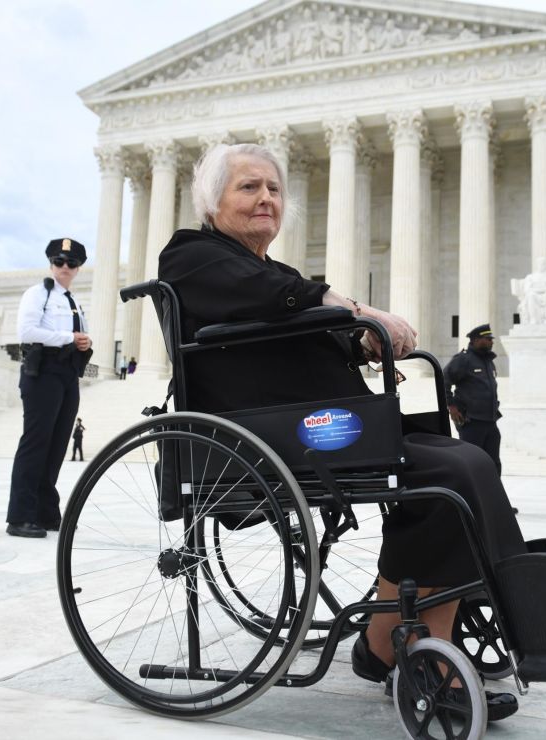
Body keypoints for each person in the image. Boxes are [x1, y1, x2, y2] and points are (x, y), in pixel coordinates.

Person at [157, 143, 520, 721]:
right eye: (249, 187)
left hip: (328, 426)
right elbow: (271, 299)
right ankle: (408, 643)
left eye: (274, 189)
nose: (266, 199)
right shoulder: (192, 255)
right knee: (449, 473)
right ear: (213, 200)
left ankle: (416, 630)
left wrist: (361, 339)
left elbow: (297, 318)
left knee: (463, 460)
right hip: (266, 437)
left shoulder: (272, 270)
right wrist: (347, 305)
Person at [6, 238, 92, 539]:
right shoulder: (37, 293)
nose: (64, 267)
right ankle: (20, 516)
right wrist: (70, 337)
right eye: (59, 262)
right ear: (51, 263)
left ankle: (45, 511)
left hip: (67, 372)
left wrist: (84, 341)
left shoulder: (74, 301)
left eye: (71, 263)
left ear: (78, 268)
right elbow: (26, 332)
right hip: (42, 371)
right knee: (36, 441)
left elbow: (77, 335)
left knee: (57, 444)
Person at [444, 323, 503, 478]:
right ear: (476, 340)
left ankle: (494, 499)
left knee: (494, 463)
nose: (491, 342)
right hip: (471, 422)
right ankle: (472, 499)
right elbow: (444, 380)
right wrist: (451, 406)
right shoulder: (463, 360)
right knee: (472, 463)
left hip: (490, 421)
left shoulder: (488, 361)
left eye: (491, 339)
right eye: (487, 339)